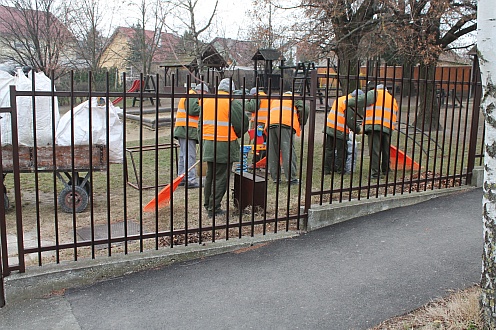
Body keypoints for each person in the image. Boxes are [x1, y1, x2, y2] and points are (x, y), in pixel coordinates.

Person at [202, 78, 249, 217]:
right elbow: (242, 123)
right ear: (232, 90)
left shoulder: (208, 101)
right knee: (221, 178)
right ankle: (214, 208)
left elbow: (200, 124)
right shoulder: (231, 102)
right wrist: (237, 134)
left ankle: (208, 204)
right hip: (224, 144)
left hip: (209, 144)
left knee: (210, 176)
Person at [347, 83, 398, 179]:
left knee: (375, 150)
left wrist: (348, 102)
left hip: (375, 126)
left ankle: (375, 173)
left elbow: (361, 100)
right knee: (385, 150)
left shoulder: (375, 93)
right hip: (387, 127)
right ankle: (386, 170)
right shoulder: (392, 99)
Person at [266, 91, 308, 185]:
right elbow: (304, 108)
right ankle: (291, 178)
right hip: (285, 124)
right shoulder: (294, 98)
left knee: (273, 151)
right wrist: (301, 122)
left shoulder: (277, 99)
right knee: (287, 151)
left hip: (271, 124)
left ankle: (276, 178)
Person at [173, 83, 209, 189]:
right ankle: (190, 180)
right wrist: (205, 108)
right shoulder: (192, 95)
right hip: (187, 130)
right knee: (189, 156)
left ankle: (181, 177)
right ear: (201, 91)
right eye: (204, 94)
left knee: (183, 156)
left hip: (183, 129)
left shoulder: (189, 95)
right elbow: (193, 110)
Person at [324, 90, 362, 174]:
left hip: (330, 127)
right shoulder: (349, 103)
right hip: (339, 130)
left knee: (329, 150)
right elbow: (350, 120)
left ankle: (326, 169)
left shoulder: (341, 99)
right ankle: (340, 170)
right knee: (342, 151)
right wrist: (358, 130)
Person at [246, 87, 269, 160]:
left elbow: (250, 107)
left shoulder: (257, 97)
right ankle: (264, 160)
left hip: (259, 123)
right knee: (265, 143)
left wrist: (247, 101)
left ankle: (256, 162)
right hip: (267, 123)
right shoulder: (267, 97)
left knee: (258, 143)